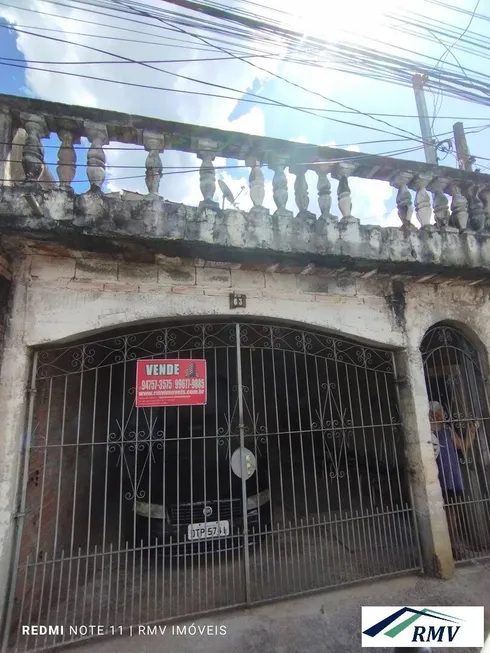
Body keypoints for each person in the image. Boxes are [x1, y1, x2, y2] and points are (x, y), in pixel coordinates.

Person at [429, 400, 479, 557]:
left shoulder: (447, 429)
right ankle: (444, 548)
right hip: (436, 479)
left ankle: (452, 546)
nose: (444, 414)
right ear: (434, 414)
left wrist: (471, 432)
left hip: (452, 477)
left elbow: (462, 446)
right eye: (441, 411)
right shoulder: (426, 432)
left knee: (453, 514)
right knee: (438, 516)